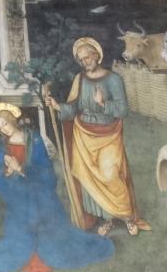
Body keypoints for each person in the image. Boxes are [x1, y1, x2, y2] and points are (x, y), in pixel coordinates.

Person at [0, 103, 114, 272]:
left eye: (5, 124)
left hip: (41, 197)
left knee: (54, 240)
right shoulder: (5, 145)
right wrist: (8, 172)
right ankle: (26, 249)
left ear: (12, 120)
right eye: (0, 127)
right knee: (17, 240)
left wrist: (20, 169)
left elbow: (46, 172)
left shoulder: (33, 139)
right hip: (19, 198)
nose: (3, 129)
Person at [45, 38, 151, 236]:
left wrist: (103, 104)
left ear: (96, 55)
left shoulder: (113, 80)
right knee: (90, 178)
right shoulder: (80, 79)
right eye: (81, 59)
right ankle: (108, 218)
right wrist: (58, 106)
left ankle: (127, 216)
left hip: (108, 134)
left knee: (110, 174)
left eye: (87, 57)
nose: (85, 62)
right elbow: (74, 107)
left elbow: (122, 110)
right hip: (83, 135)